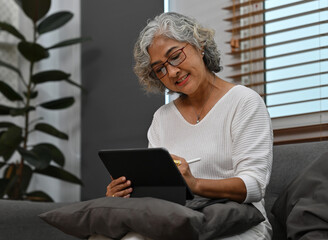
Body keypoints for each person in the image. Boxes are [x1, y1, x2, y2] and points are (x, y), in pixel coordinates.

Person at [105, 12, 273, 239]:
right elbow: (156, 191)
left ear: (199, 45)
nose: (172, 71)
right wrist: (124, 193)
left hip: (237, 222)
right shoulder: (162, 118)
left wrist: (195, 184)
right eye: (160, 69)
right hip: (180, 220)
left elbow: (254, 186)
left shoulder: (245, 102)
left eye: (175, 56)